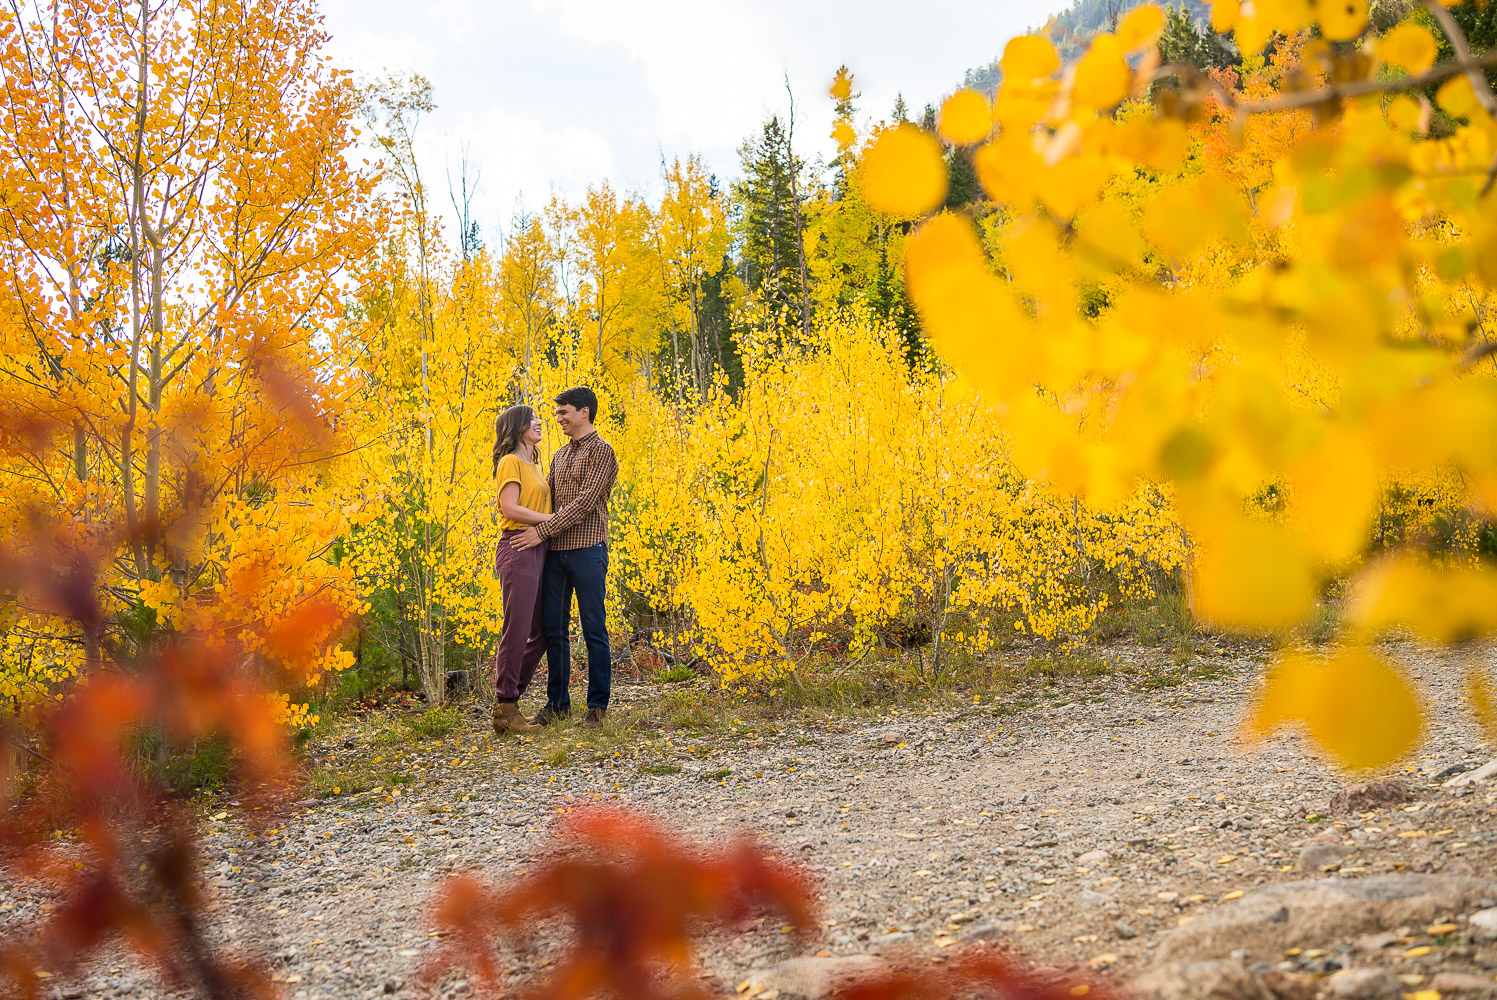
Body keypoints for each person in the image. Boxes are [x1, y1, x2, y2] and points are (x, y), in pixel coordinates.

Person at [510, 386, 617, 729]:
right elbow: (550, 504)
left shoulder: (603, 452)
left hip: (588, 549)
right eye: (556, 414)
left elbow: (585, 504)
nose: (559, 419)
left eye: (564, 412)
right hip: (555, 554)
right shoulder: (559, 455)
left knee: (593, 629)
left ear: (584, 412)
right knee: (554, 631)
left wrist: (540, 532)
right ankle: (557, 704)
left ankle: (596, 709)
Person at [489, 404, 554, 735]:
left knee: (542, 630)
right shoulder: (511, 462)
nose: (539, 421)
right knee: (517, 629)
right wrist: (551, 521)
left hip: (538, 547)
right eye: (531, 419)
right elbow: (509, 507)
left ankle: (510, 703)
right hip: (518, 546)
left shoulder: (534, 464)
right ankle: (506, 706)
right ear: (516, 428)